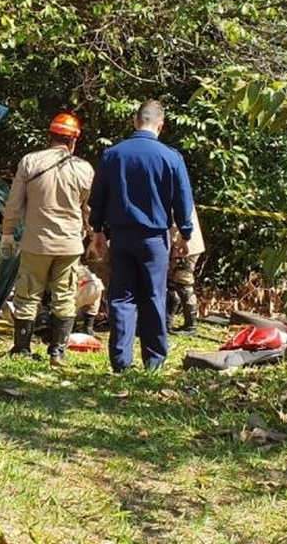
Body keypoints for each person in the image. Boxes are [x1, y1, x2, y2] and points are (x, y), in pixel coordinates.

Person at [88, 100, 195, 372]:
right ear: (161, 125)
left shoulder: (113, 154)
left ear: (135, 122)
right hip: (154, 239)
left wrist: (97, 231)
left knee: (121, 297)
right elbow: (183, 200)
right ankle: (154, 361)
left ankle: (121, 361)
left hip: (121, 236)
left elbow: (97, 196)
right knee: (153, 295)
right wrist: (185, 233)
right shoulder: (171, 157)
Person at [0, 112, 95, 366]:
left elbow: (14, 204)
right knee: (64, 296)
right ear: (73, 141)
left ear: (49, 136)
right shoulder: (84, 169)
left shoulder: (30, 162)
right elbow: (89, 211)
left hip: (36, 243)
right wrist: (95, 237)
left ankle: (21, 349)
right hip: (70, 244)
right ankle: (57, 352)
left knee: (28, 294)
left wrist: (7, 233)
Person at [167, 206, 205, 334]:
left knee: (184, 285)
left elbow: (175, 225)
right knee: (172, 284)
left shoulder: (173, 195)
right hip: (182, 244)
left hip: (185, 246)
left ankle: (191, 325)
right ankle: (167, 321)